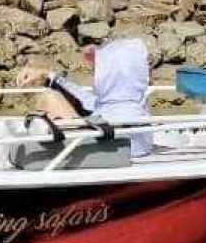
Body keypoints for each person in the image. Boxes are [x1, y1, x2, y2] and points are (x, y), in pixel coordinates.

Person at [16, 38, 153, 157]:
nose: (94, 73)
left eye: (98, 69)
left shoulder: (127, 111)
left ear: (112, 75)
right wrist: (46, 75)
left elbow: (125, 147)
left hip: (99, 154)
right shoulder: (115, 101)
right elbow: (82, 98)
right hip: (97, 146)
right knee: (53, 98)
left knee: (51, 99)